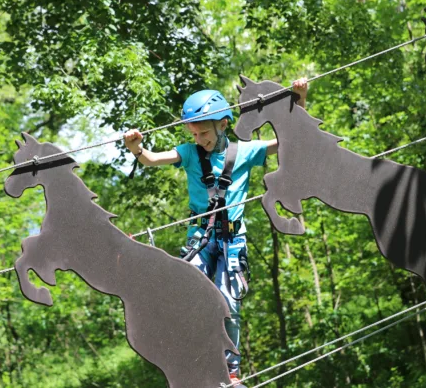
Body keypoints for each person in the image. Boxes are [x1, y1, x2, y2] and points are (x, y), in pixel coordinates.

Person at [123, 78, 308, 386]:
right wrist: (136, 148)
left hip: (232, 240)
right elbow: (153, 159)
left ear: (224, 123)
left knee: (228, 303)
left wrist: (299, 99)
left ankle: (230, 371)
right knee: (187, 291)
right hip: (200, 238)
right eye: (194, 133)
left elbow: (290, 141)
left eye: (204, 132)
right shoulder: (189, 153)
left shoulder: (246, 152)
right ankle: (192, 358)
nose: (199, 139)